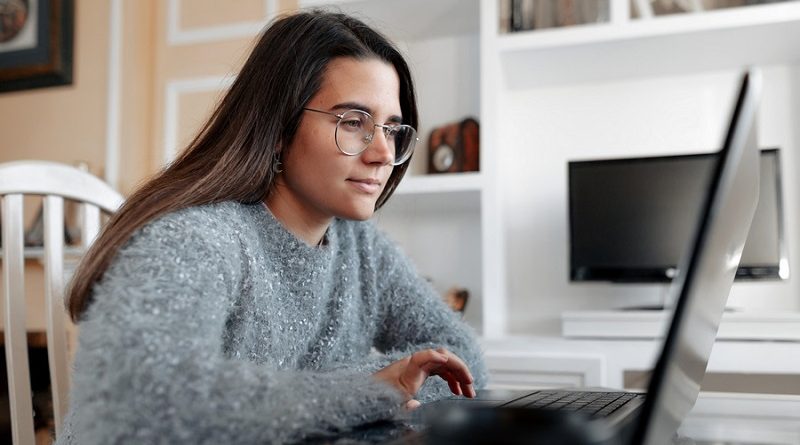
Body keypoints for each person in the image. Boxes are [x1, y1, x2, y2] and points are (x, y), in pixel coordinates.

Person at [58, 9, 487, 445]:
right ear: (279, 127)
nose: (382, 152)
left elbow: (461, 358)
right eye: (353, 122)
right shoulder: (197, 240)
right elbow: (152, 400)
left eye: (392, 129)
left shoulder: (362, 248)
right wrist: (367, 389)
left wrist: (367, 388)